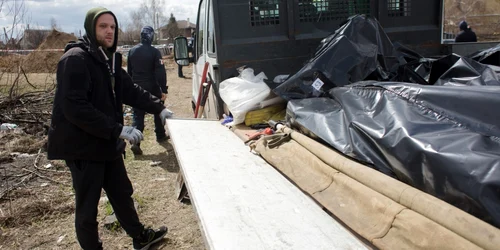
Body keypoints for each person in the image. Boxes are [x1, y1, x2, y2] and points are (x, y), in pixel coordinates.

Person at [47, 7, 173, 250]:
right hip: (83, 147)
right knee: (88, 207)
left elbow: (129, 90)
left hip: (106, 143)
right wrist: (118, 129)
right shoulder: (75, 59)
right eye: (103, 26)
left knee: (121, 193)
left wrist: (159, 109)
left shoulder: (109, 59)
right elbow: (75, 108)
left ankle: (140, 237)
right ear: (90, 28)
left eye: (113, 27)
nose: (109, 31)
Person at [127, 26, 169, 155]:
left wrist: (130, 87)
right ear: (152, 37)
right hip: (152, 87)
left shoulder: (131, 51)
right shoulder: (154, 52)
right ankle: (160, 134)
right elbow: (160, 72)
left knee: (138, 116)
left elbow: (129, 72)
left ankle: (135, 142)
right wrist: (163, 89)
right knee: (157, 110)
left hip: (136, 88)